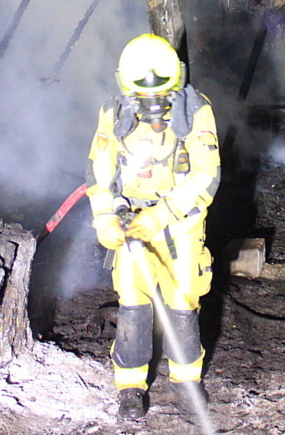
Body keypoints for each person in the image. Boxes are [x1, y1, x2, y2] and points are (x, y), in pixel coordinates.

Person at [86, 33, 220, 420]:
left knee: (182, 306)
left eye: (161, 98)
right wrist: (105, 216)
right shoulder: (113, 112)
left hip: (180, 227)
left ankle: (186, 383)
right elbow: (99, 168)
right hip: (132, 228)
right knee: (133, 306)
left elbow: (207, 174)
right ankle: (130, 388)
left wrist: (163, 214)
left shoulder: (195, 111)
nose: (153, 111)